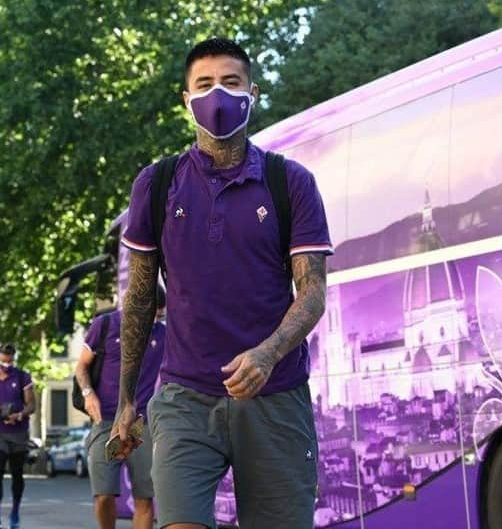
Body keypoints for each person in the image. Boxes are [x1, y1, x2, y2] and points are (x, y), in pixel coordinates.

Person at [114, 37, 333, 529]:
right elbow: (140, 298)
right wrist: (127, 400)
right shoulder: (157, 183)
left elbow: (313, 291)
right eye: (205, 84)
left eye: (231, 83)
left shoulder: (290, 182)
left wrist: (267, 353)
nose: (218, 95)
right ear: (185, 99)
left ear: (252, 93)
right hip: (184, 400)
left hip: (275, 398)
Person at [76, 286, 166, 529]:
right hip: (105, 421)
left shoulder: (163, 333)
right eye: (153, 315)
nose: (155, 320)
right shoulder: (104, 325)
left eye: (160, 316)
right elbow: (81, 367)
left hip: (140, 426)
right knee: (104, 494)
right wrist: (88, 393)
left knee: (145, 498)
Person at [0, 343, 35, 529]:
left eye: (9, 361)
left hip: (18, 433)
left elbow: (32, 405)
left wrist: (19, 415)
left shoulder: (22, 376)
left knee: (17, 473)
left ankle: (15, 513)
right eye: (3, 360)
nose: (6, 364)